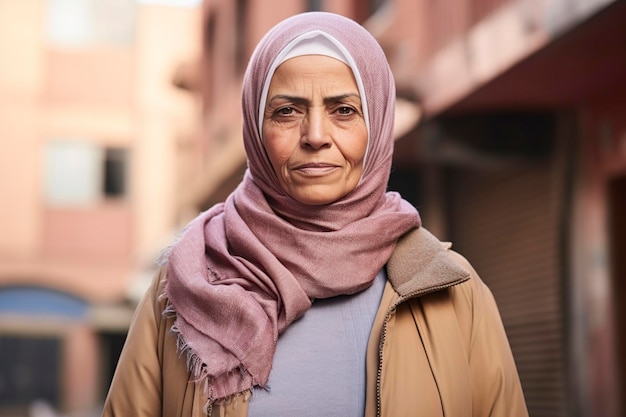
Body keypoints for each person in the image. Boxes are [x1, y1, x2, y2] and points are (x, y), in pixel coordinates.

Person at [102, 11, 528, 417]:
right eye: (287, 111)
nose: (316, 136)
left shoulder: (454, 292)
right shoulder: (185, 283)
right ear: (255, 127)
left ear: (377, 124)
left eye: (344, 110)